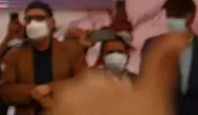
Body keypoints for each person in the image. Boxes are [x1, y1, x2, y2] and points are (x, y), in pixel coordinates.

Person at [52, 33, 189, 115]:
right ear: (102, 56)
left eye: (119, 52)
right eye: (110, 52)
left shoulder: (138, 82)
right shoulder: (89, 82)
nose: (115, 56)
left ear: (128, 55)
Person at [0, 0, 86, 115]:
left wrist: (51, 88)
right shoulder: (14, 54)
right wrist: (32, 91)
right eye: (28, 19)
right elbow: (6, 91)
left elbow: (84, 84)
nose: (33, 23)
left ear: (52, 23)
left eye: (39, 18)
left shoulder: (72, 50)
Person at [141, 0, 197, 115]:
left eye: (177, 16)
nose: (172, 19)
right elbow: (145, 81)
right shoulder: (151, 44)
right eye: (169, 15)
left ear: (190, 17)